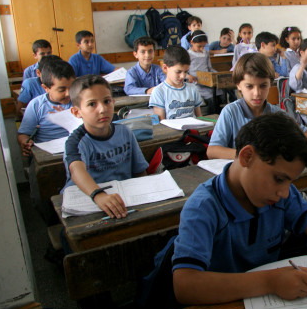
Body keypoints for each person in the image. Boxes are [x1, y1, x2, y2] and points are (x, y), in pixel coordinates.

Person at [172, 113, 307, 305]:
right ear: (247, 157)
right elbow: (185, 284)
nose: (285, 193)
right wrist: (270, 281)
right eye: (279, 179)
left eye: (290, 182)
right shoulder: (204, 207)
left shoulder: (278, 196)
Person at [63, 75, 148, 219]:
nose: (102, 109)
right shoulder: (76, 142)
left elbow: (140, 171)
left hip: (123, 198)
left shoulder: (125, 132)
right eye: (92, 104)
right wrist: (98, 194)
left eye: (107, 101)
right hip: (87, 198)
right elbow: (76, 170)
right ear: (77, 112)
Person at [207, 53, 307, 159]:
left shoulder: (277, 114)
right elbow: (212, 151)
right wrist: (252, 155)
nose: (257, 93)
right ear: (238, 85)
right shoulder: (230, 112)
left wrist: (281, 147)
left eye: (263, 86)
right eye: (249, 86)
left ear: (270, 83)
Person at [17, 59, 76, 156]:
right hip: (46, 154)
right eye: (62, 90)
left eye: (72, 87)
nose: (68, 93)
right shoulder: (36, 105)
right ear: (46, 88)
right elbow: (23, 134)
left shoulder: (79, 101)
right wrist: (25, 142)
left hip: (76, 150)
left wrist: (71, 118)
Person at [149, 45, 202, 120]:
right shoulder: (159, 92)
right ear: (165, 68)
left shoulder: (193, 89)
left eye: (186, 71)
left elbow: (199, 117)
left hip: (192, 130)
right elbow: (161, 125)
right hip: (170, 131)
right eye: (178, 72)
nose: (183, 76)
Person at [186, 30, 223, 114]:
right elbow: (183, 71)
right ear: (192, 42)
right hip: (196, 83)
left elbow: (210, 68)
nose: (202, 48)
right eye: (199, 46)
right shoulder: (187, 54)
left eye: (204, 46)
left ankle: (218, 115)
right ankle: (211, 116)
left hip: (207, 81)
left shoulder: (205, 53)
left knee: (220, 95)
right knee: (211, 99)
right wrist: (188, 76)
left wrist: (217, 74)